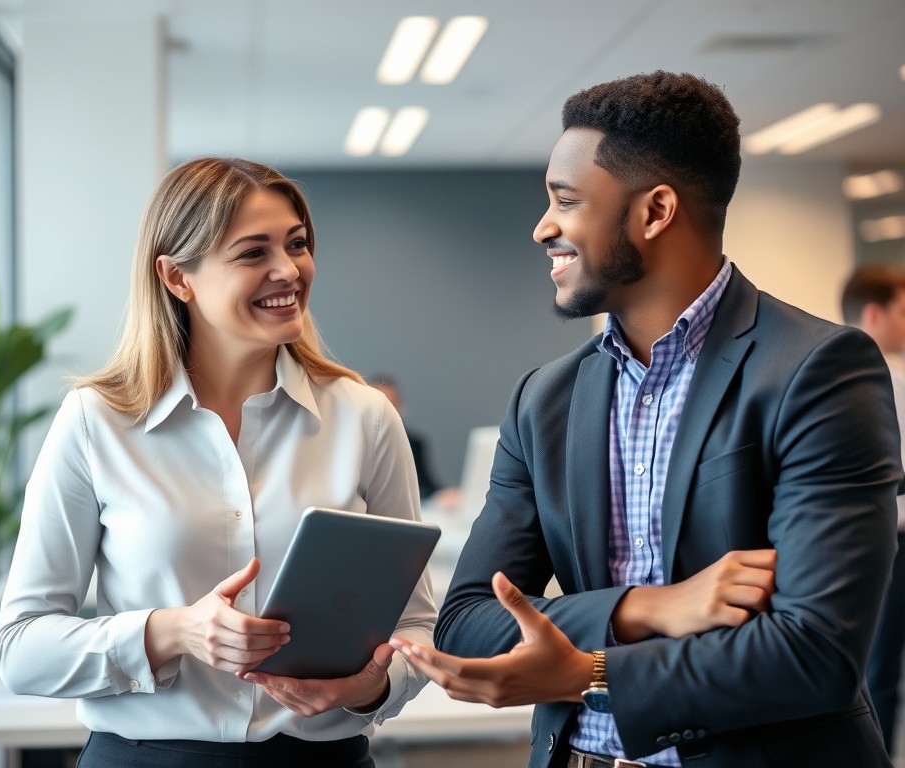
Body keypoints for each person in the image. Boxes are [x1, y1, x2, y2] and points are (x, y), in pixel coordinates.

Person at [390, 71, 902, 768]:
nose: (543, 227)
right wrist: (646, 608)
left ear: (655, 211)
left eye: (565, 201)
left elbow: (813, 652)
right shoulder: (543, 400)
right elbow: (469, 622)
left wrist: (585, 673)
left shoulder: (818, 370)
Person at [0, 157, 436, 767]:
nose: (289, 270)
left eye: (298, 244)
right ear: (178, 278)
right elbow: (21, 649)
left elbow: (416, 624)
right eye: (253, 253)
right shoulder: (97, 421)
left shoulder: (363, 416)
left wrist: (372, 687)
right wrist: (173, 631)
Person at [842, 264, 905, 755]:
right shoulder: (892, 377)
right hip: (891, 545)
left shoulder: (813, 371)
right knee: (880, 667)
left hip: (842, 545)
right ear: (875, 313)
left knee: (864, 665)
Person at [370, 375, 462, 510]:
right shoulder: (356, 445)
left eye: (393, 404)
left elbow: (426, 485)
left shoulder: (414, 442)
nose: (389, 412)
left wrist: (443, 494)